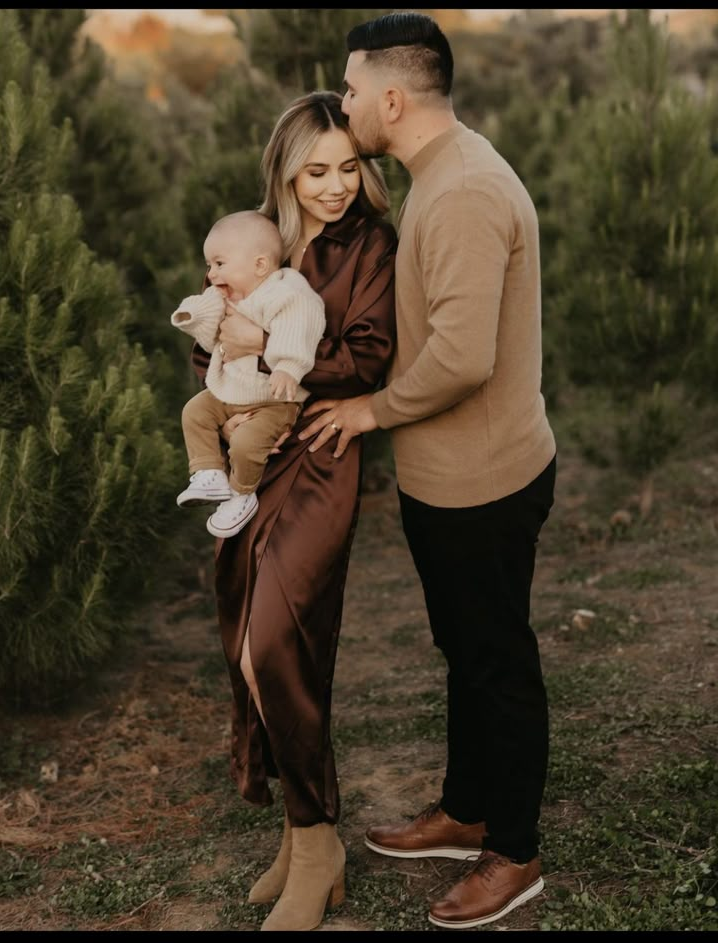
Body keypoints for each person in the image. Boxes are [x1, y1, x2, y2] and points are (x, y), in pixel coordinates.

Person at [299, 12, 557, 930]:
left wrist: (369, 408)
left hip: (485, 482)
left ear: (395, 98)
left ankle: (513, 850)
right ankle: (468, 806)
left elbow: (461, 357)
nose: (348, 101)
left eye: (356, 87)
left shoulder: (466, 194)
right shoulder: (440, 174)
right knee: (465, 650)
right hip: (448, 478)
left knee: (497, 661)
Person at [190, 91, 396, 931]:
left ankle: (319, 845)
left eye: (349, 168)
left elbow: (372, 353)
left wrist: (280, 365)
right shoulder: (259, 242)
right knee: (247, 645)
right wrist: (220, 349)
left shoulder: (370, 245)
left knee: (279, 640)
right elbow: (212, 334)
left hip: (321, 459)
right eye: (317, 171)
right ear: (285, 171)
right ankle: (298, 830)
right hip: (256, 459)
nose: (336, 186)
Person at [171, 210, 325, 539]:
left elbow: (299, 330)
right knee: (194, 411)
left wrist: (287, 367)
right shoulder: (225, 294)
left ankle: (242, 494)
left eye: (219, 264)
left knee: (245, 443)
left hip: (275, 400)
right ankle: (208, 472)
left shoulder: (286, 293)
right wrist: (189, 315)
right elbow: (204, 314)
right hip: (231, 392)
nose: (211, 273)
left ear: (259, 265)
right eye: (209, 265)